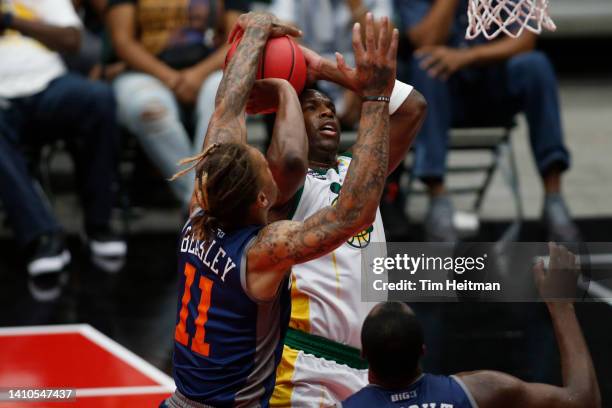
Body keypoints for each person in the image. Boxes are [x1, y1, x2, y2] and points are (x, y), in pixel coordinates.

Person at [162, 11, 400, 407]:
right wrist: (374, 96)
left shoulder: (199, 214)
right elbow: (350, 215)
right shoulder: (259, 253)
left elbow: (226, 112)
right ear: (261, 200)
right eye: (263, 169)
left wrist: (253, 32)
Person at [266, 14, 427, 407]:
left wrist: (332, 72)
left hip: (372, 369)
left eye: (329, 107)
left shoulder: (359, 174)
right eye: (311, 107)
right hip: (305, 363)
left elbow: (414, 108)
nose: (327, 112)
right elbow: (287, 159)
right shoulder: (279, 182)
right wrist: (287, 87)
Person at [394, 0, 579, 243]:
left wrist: (467, 57)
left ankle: (554, 199)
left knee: (537, 65)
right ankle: (437, 199)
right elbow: (425, 40)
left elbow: (525, 41)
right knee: (424, 63)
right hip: (444, 96)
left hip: (491, 84)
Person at [340, 243, 601, 408]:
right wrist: (561, 306)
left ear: (364, 356)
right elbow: (583, 400)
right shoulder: (480, 390)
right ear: (423, 350)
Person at [0, 0, 125, 301]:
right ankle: (42, 236)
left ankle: (98, 225)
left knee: (97, 99)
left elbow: (72, 40)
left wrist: (10, 20)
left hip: (49, 86)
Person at [107, 0, 251, 209]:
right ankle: (203, 206)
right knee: (149, 110)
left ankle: (198, 208)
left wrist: (196, 75)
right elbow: (123, 42)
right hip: (145, 72)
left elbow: (238, 39)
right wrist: (172, 79)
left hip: (212, 69)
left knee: (226, 98)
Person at [268, 0, 392, 128]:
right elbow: (284, 35)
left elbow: (383, 44)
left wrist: (357, 5)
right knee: (281, 67)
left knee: (381, 75)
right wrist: (345, 80)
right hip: (313, 75)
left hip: (361, 76)